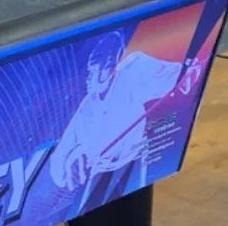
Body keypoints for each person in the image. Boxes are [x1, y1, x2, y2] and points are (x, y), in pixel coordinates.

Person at [49, 29, 203, 209]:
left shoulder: (133, 71)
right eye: (89, 72)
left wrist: (191, 69)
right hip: (96, 175)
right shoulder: (87, 107)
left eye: (95, 71)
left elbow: (178, 77)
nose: (88, 79)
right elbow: (59, 162)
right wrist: (70, 165)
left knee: (133, 208)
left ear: (109, 67)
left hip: (132, 162)